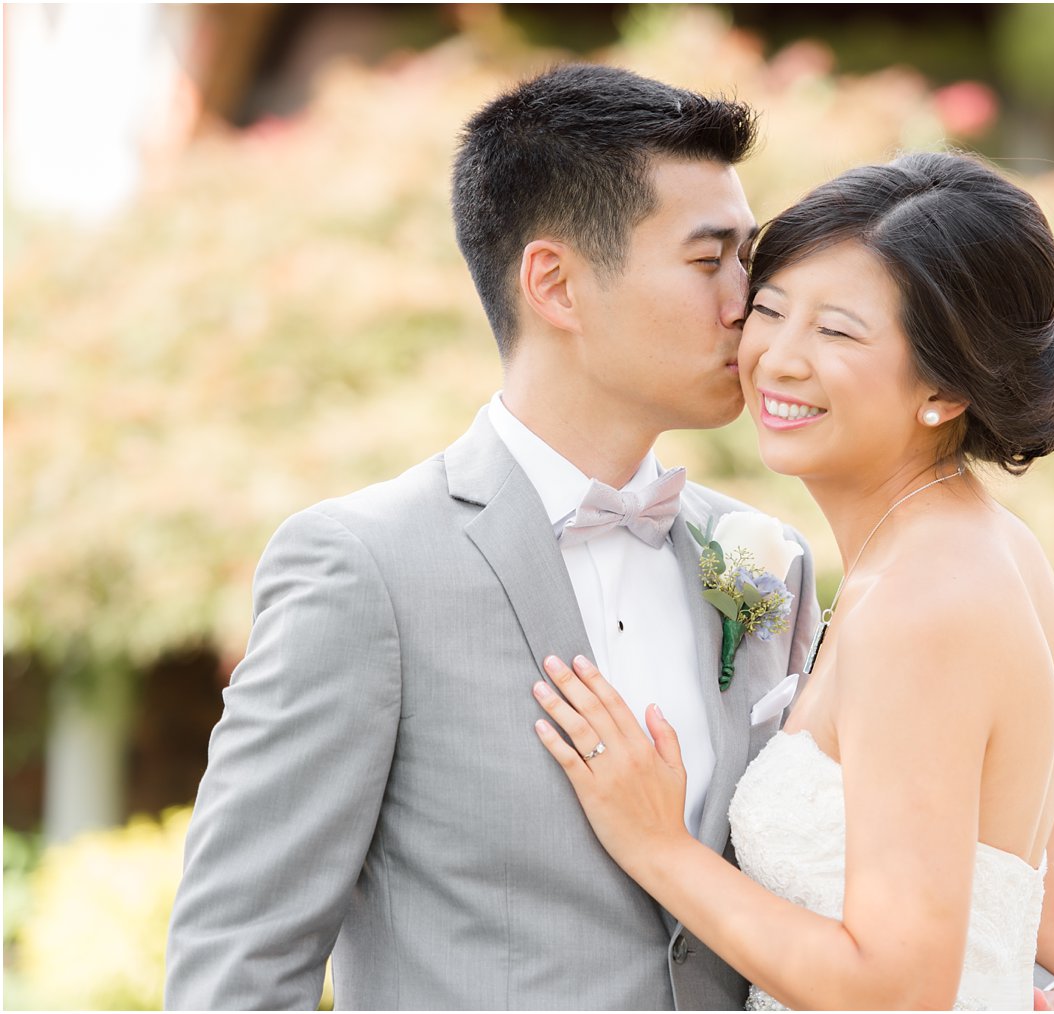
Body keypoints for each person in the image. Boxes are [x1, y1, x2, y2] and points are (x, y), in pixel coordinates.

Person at [164, 64, 821, 1010]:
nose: (747, 303)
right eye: (707, 258)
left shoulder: (765, 559)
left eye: (748, 258)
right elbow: (238, 961)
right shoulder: (366, 568)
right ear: (554, 283)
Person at [530, 152, 1054, 1010]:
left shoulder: (923, 601)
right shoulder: (993, 548)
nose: (776, 358)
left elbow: (894, 989)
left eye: (837, 332)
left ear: (946, 387)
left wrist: (658, 845)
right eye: (769, 309)